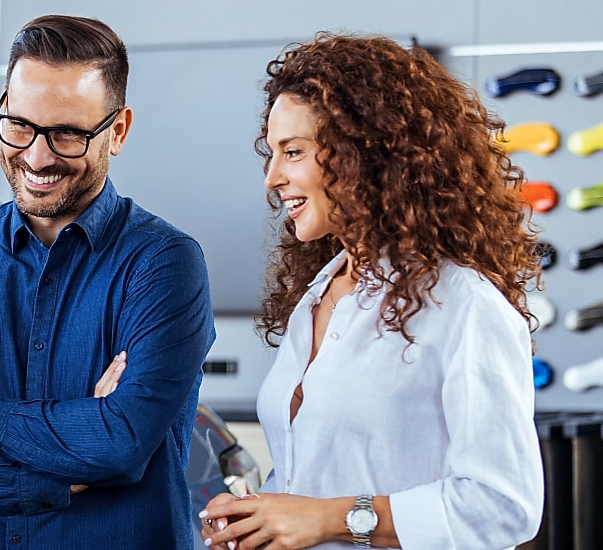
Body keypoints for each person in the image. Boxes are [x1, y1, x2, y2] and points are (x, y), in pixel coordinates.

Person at [0, 14, 215, 549]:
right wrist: (48, 476)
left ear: (118, 131)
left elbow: (122, 441)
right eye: (19, 125)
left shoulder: (164, 264)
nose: (36, 156)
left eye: (67, 134)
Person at [200, 34, 543, 550]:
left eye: (293, 152)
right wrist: (259, 519)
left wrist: (331, 519)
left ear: (365, 154)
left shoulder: (463, 304)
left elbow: (503, 506)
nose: (272, 177)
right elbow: (311, 485)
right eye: (271, 154)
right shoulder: (317, 298)